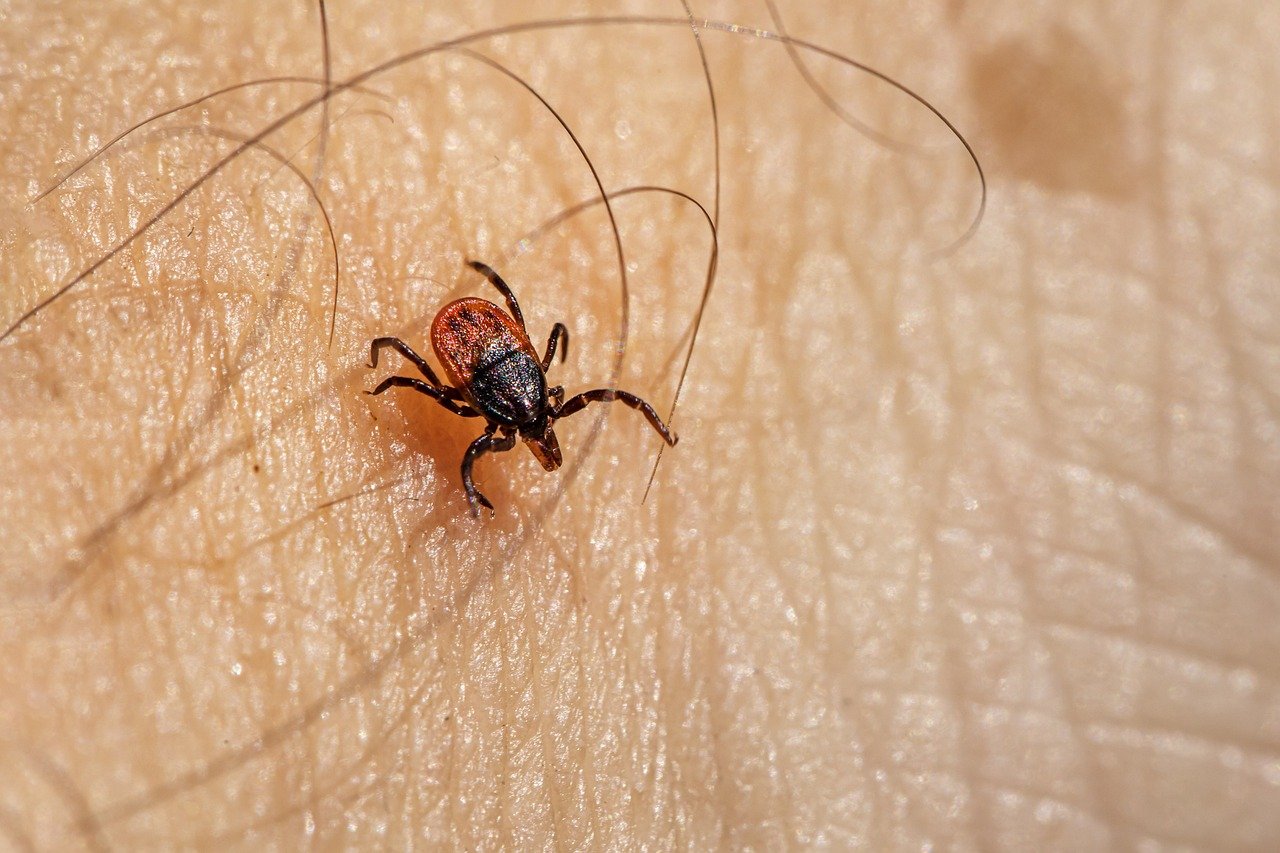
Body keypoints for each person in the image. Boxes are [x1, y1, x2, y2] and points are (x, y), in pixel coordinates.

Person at [0, 0, 1275, 847]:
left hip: (470, 327)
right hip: (463, 332)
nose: (532, 424)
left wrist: (491, 395)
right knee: (429, 396)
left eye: (531, 422)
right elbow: (451, 370)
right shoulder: (495, 392)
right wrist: (453, 437)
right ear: (518, 395)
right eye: (525, 425)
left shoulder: (508, 388)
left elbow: (481, 358)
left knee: (465, 383)